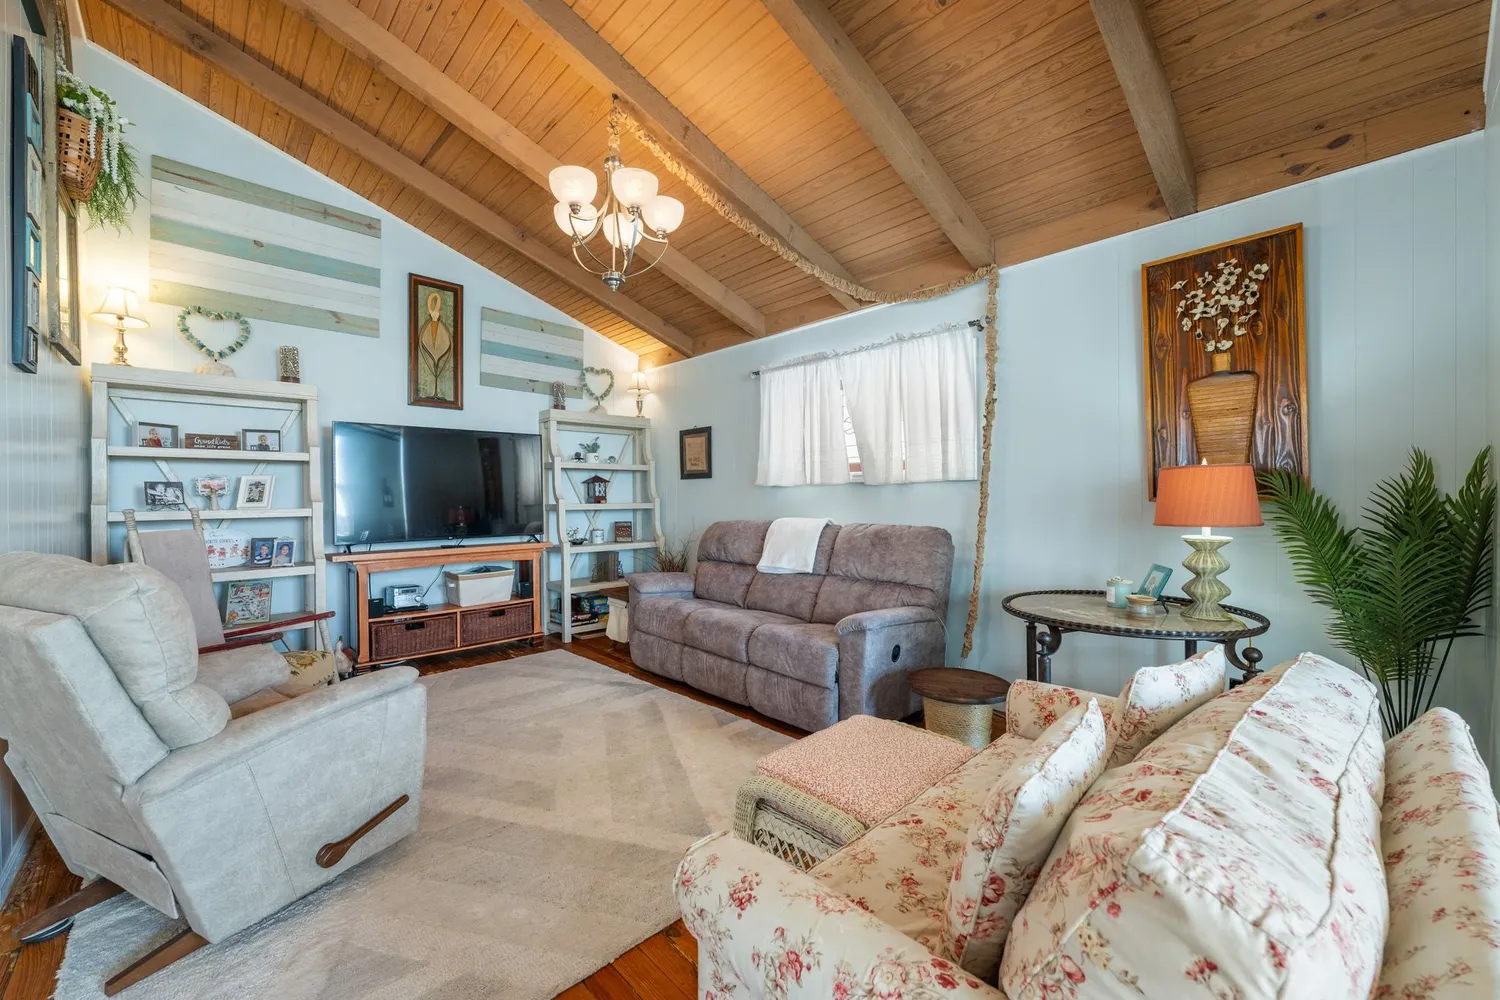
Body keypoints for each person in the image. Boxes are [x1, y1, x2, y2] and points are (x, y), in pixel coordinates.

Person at [416, 289, 455, 403]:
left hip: (439, 346)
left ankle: (436, 392)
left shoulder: (441, 329)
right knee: (434, 364)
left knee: (436, 365)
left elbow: (448, 342)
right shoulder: (427, 329)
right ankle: (434, 392)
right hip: (432, 345)